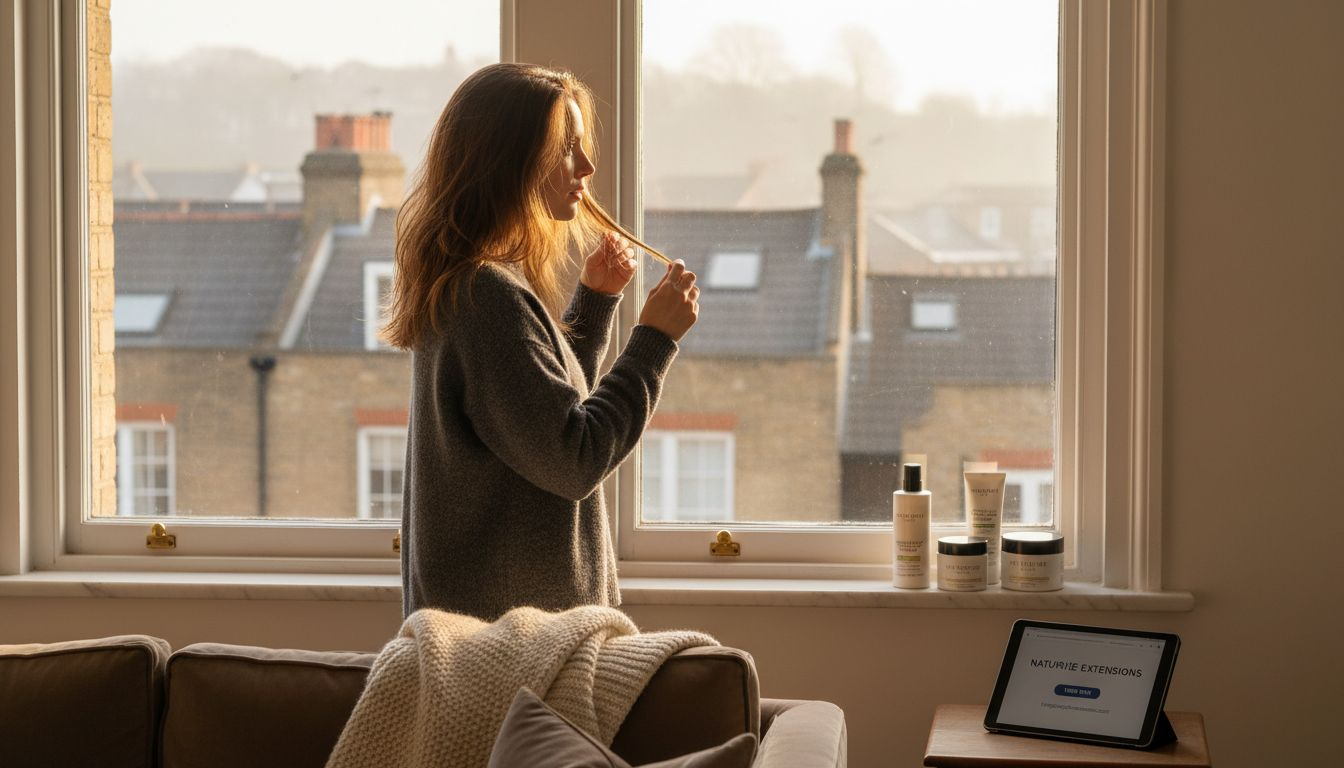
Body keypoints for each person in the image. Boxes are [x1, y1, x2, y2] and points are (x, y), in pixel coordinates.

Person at [381, 63, 699, 621]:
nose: (587, 166)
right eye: (566, 146)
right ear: (510, 161)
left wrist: (595, 307)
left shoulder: (474, 283)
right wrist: (653, 340)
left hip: (505, 634)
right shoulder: (487, 298)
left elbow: (530, 425)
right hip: (514, 645)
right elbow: (573, 458)